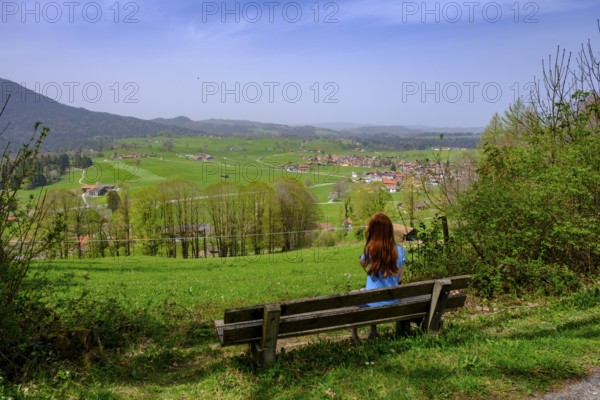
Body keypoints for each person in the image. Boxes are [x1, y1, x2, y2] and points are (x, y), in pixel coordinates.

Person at [351, 212, 406, 340]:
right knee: (370, 293)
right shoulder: (399, 250)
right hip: (393, 301)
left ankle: (354, 334)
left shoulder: (369, 250)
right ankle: (373, 332)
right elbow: (399, 279)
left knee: (355, 296)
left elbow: (362, 263)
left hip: (372, 303)